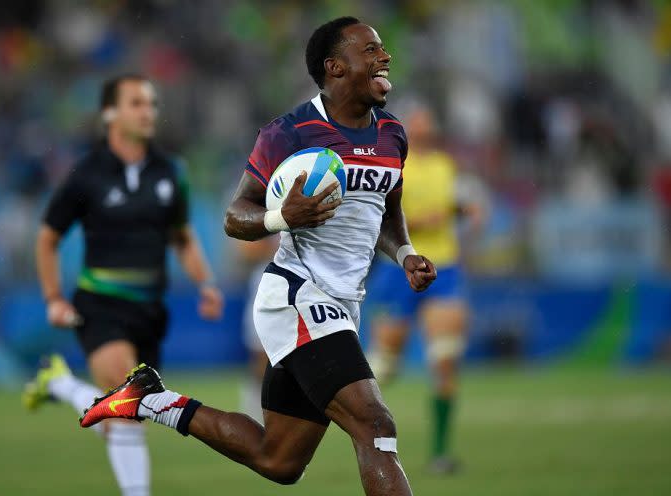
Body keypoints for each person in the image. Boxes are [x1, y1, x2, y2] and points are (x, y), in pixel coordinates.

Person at [79, 18, 436, 496]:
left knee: (279, 460)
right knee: (375, 424)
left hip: (343, 306)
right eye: (370, 49)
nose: (384, 56)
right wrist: (281, 217)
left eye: (383, 48)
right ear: (335, 67)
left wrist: (406, 252)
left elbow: (387, 212)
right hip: (297, 296)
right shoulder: (290, 133)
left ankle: (152, 400)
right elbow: (235, 215)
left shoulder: (393, 134)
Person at [23, 74, 223, 496]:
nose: (148, 111)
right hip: (100, 305)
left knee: (124, 417)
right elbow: (47, 238)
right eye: (136, 103)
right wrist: (53, 297)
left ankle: (60, 383)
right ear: (110, 113)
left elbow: (182, 237)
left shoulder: (171, 171)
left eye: (151, 103)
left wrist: (205, 282)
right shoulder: (86, 174)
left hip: (150, 312)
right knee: (129, 406)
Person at [367, 104, 478, 474]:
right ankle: (356, 440)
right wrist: (421, 221)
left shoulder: (447, 167)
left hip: (444, 268)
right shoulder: (394, 166)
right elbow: (381, 218)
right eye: (417, 124)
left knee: (445, 360)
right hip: (400, 268)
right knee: (383, 367)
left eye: (427, 123)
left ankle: (441, 454)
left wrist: (467, 213)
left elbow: (463, 207)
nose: (423, 129)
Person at [236, 236, 279, 423]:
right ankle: (254, 407)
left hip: (302, 280)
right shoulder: (266, 210)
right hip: (267, 278)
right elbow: (245, 250)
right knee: (260, 355)